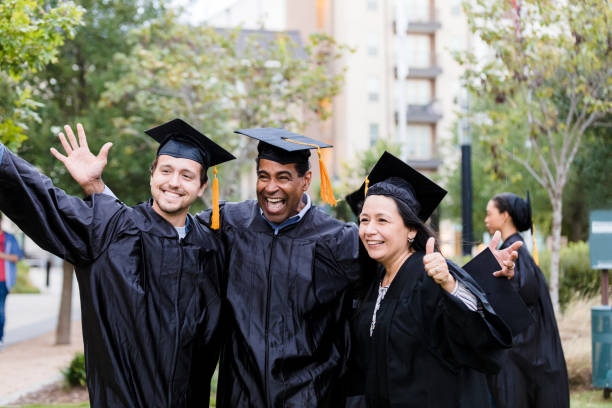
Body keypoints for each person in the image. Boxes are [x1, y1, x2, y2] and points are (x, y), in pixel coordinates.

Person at [0, 119, 235, 407]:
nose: (173, 182)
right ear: (152, 174)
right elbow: (44, 200)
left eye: (187, 175)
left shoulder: (213, 247)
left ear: (202, 187)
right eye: (166, 170)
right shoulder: (110, 231)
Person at [344, 151, 522, 407]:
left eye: (382, 220)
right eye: (364, 220)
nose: (370, 230)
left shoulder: (431, 275)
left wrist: (452, 284)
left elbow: (480, 342)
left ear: (411, 229)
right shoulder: (375, 281)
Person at [485, 192, 569, 408]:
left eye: (489, 214)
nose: (486, 219)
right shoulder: (518, 252)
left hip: (519, 358)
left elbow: (522, 300)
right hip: (527, 356)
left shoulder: (514, 254)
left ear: (505, 216)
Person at [0, 212, 23, 350]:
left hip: (3, 282)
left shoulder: (9, 239)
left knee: (0, 311)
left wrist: (2, 255)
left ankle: (0, 337)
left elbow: (17, 257)